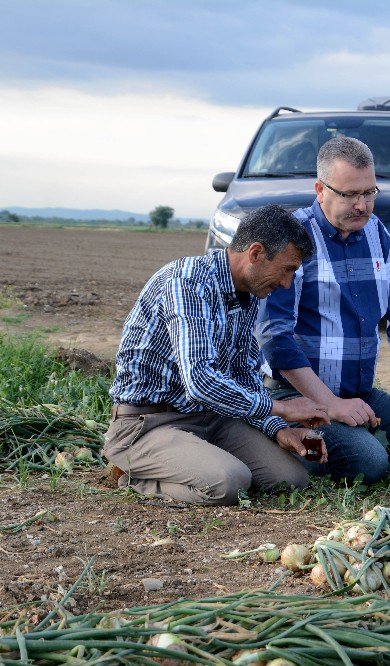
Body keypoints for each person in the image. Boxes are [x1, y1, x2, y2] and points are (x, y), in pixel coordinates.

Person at [257, 136, 390, 484]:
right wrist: (331, 404)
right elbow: (276, 339)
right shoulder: (293, 238)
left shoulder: (376, 232)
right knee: (370, 463)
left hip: (360, 393)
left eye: (370, 192)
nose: (362, 205)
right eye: (349, 195)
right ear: (320, 189)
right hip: (295, 394)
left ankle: (359, 433)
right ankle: (279, 438)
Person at [104, 204, 329, 505]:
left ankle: (194, 460)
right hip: (149, 423)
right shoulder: (187, 284)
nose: (287, 283)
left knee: (291, 478)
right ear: (256, 253)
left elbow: (244, 374)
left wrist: (278, 431)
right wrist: (282, 409)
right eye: (287, 269)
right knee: (229, 482)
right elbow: (199, 381)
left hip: (210, 417)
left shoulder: (248, 293)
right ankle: (131, 472)